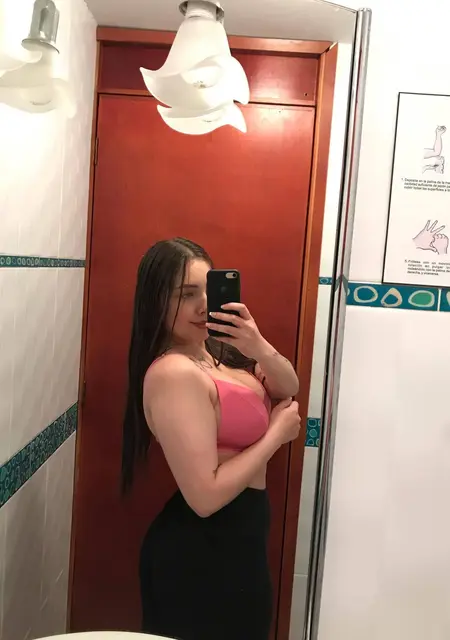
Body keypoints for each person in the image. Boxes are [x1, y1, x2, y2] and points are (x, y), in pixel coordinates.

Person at [121, 237, 301, 640]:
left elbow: (289, 385)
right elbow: (204, 498)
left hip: (240, 543)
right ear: (156, 301)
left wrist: (256, 344)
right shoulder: (173, 374)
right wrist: (274, 437)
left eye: (208, 290)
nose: (203, 305)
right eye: (187, 295)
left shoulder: (219, 353)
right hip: (201, 553)